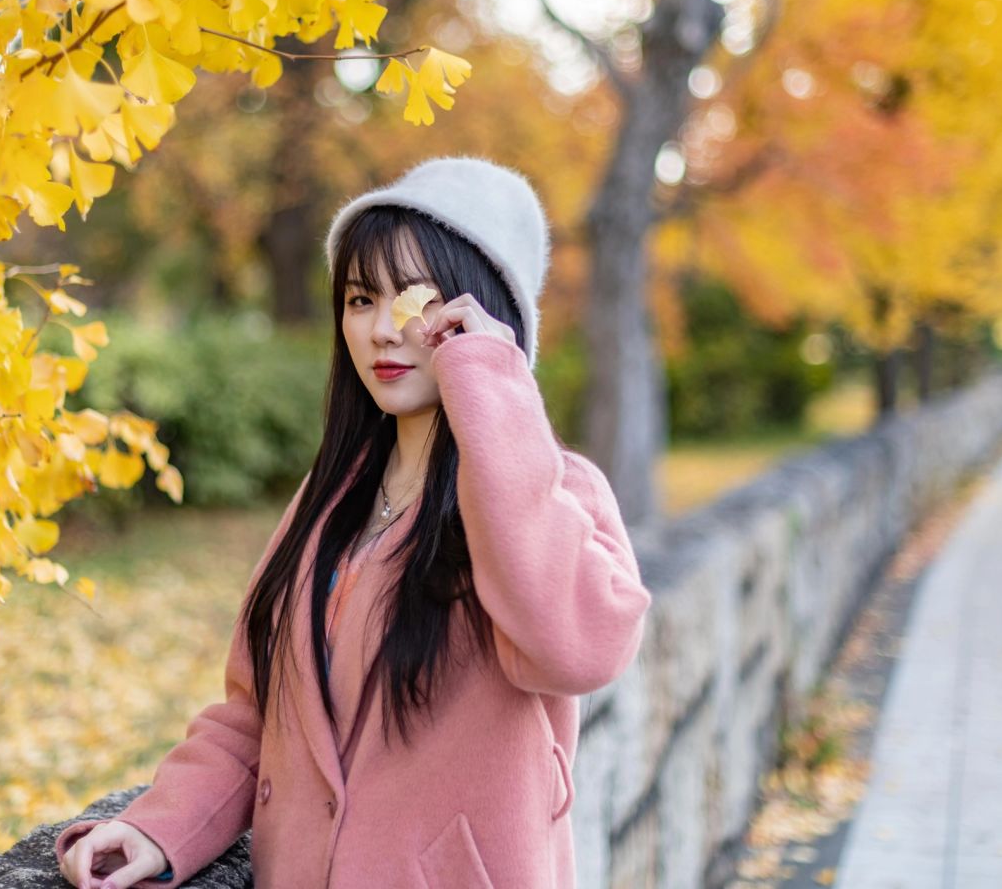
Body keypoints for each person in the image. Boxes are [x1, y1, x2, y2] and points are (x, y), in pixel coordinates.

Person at [56, 154, 653, 889]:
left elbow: (581, 650)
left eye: (418, 300)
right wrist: (159, 825)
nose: (381, 330)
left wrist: (490, 382)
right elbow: (259, 715)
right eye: (362, 299)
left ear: (482, 317)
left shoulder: (555, 494)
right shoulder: (330, 502)